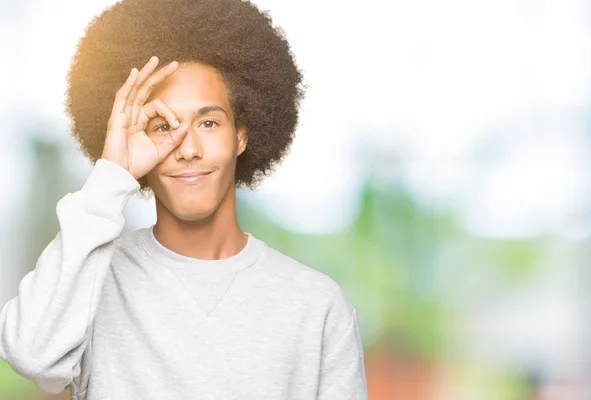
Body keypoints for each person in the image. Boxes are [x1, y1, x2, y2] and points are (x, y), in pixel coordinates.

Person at [0, 0, 369, 399]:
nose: (188, 148)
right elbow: (32, 355)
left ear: (241, 135)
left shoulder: (316, 307)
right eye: (163, 127)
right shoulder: (92, 279)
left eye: (208, 123)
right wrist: (112, 174)